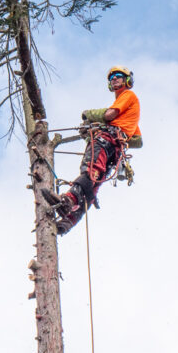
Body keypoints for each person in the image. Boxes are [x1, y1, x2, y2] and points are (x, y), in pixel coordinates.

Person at [43, 65, 143, 235]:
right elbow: (138, 141)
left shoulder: (128, 96)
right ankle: (69, 221)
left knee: (90, 170)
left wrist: (89, 115)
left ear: (127, 80)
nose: (114, 79)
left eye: (118, 76)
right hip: (114, 150)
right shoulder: (127, 114)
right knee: (94, 182)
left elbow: (109, 115)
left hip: (107, 140)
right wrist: (103, 132)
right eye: (112, 78)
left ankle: (68, 200)